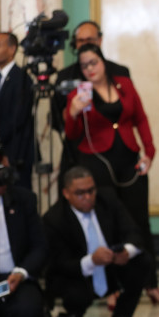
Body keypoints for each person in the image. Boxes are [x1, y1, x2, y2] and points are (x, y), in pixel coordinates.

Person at [63, 44, 159, 306]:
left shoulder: (124, 83)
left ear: (103, 62)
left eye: (93, 62)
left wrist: (149, 152)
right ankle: (113, 289)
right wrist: (73, 113)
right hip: (96, 161)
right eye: (84, 65)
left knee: (140, 222)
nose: (90, 69)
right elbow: (72, 134)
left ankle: (151, 284)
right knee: (107, 224)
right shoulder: (78, 94)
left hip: (129, 160)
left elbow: (140, 118)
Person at [42, 166, 150, 317]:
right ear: (66, 193)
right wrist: (91, 261)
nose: (87, 197)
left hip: (112, 266)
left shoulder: (108, 199)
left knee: (142, 261)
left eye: (91, 190)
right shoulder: (54, 219)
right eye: (80, 193)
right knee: (73, 291)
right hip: (77, 274)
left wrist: (127, 251)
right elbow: (59, 264)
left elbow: (134, 232)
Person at [53, 20, 132, 196]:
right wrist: (69, 115)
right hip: (77, 153)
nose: (85, 44)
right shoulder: (65, 76)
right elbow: (56, 119)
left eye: (89, 39)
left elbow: (134, 115)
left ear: (100, 40)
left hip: (116, 151)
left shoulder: (119, 72)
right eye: (80, 41)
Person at [0, 137, 47, 317]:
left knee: (29, 309)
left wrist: (21, 273)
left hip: (14, 278)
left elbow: (40, 247)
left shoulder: (24, 199)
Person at [0, 32, 34, 189]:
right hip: (0, 151)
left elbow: (17, 119)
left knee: (18, 196)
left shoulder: (22, 78)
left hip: (15, 152)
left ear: (12, 49)